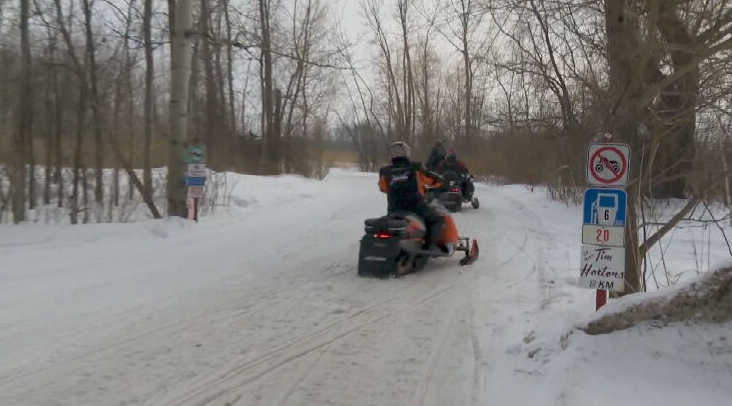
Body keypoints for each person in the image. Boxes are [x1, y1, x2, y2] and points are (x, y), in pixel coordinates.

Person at [379, 141, 448, 251]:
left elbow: (383, 188)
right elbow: (432, 180)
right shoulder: (416, 167)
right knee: (437, 220)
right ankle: (430, 246)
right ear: (407, 153)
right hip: (415, 206)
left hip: (394, 208)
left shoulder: (385, 171)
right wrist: (440, 181)